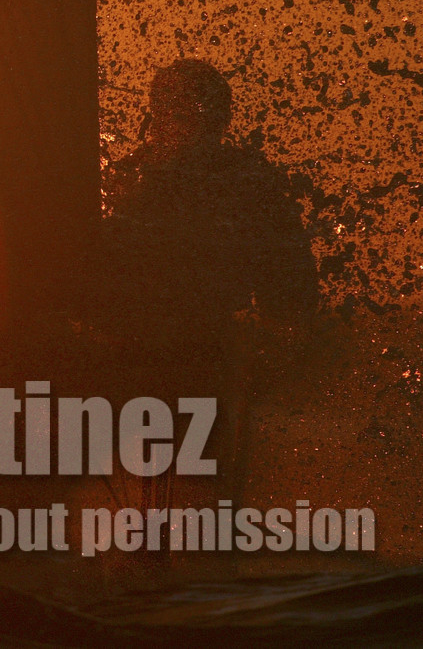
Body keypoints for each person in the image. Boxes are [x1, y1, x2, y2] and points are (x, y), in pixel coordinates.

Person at [98, 59, 318, 508]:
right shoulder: (248, 180)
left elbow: (291, 292)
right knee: (192, 506)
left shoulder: (131, 179)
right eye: (176, 113)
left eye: (180, 113)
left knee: (167, 501)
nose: (179, 125)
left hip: (147, 358)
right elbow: (291, 294)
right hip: (191, 357)